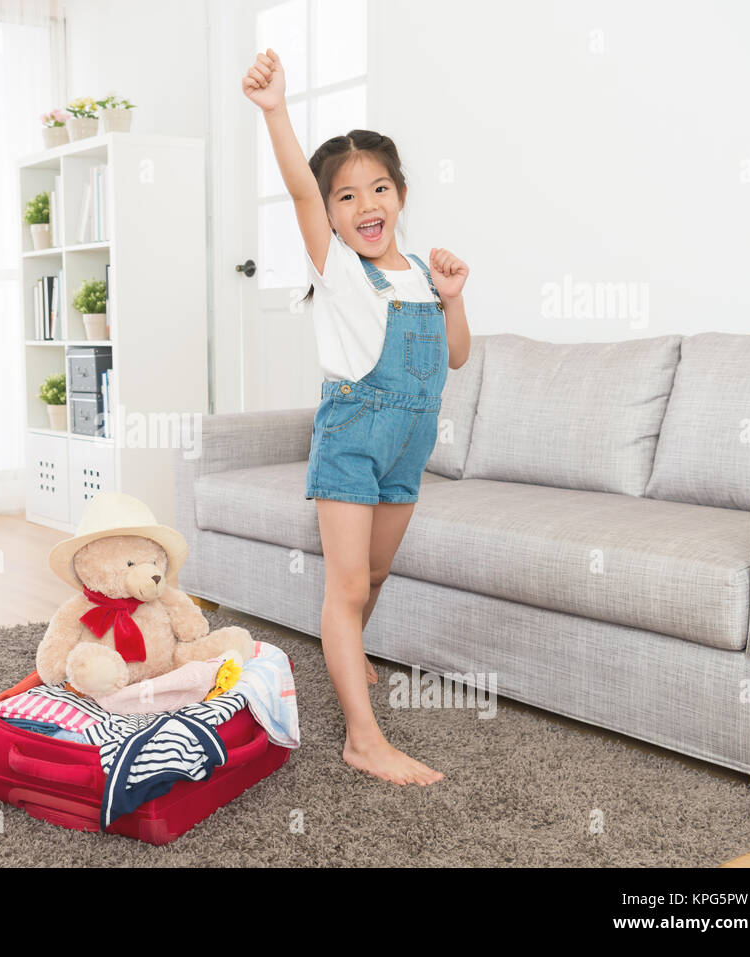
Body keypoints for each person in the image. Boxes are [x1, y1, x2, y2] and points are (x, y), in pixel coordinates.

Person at [242, 48, 472, 786]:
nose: (364, 204)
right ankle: (362, 739)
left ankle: (349, 652)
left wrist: (453, 295)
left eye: (378, 188)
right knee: (344, 588)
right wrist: (277, 110)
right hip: (351, 437)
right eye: (346, 197)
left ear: (400, 193)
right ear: (331, 215)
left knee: (372, 575)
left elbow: (458, 357)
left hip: (409, 445)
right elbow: (300, 196)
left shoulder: (420, 277)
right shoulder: (339, 270)